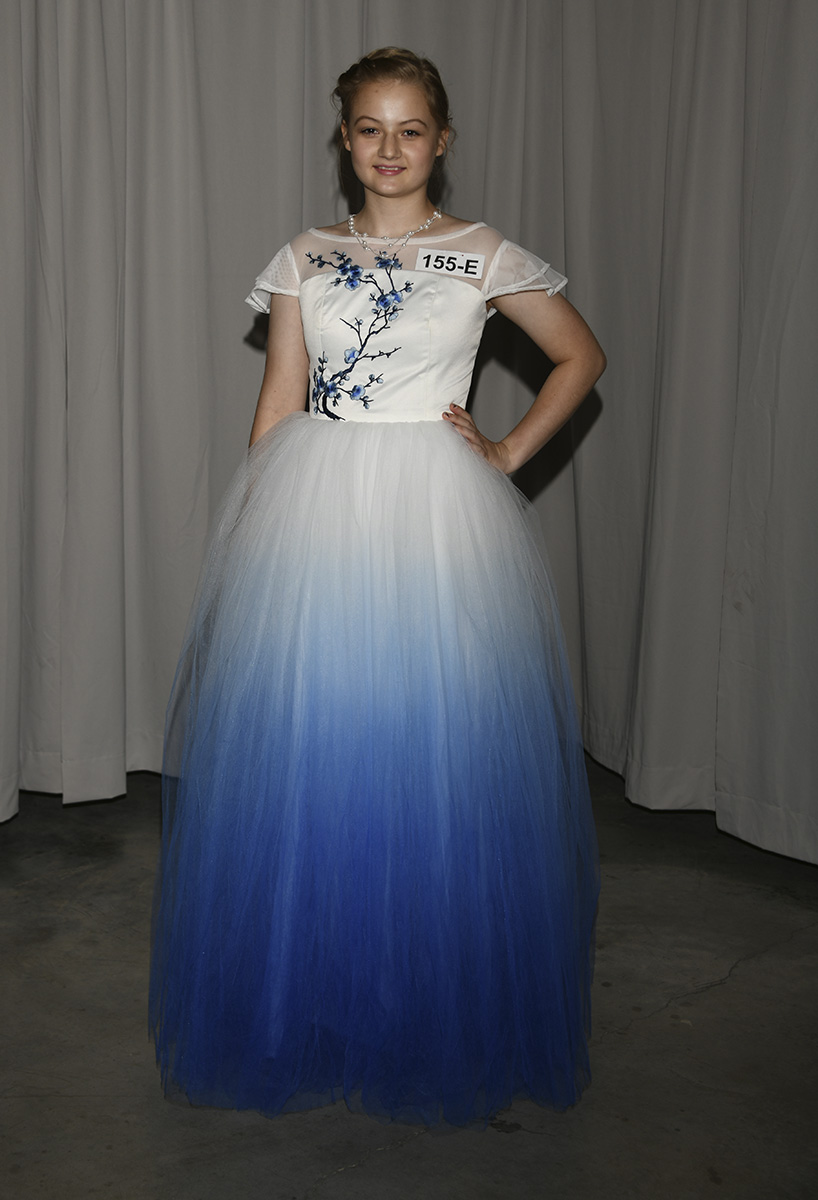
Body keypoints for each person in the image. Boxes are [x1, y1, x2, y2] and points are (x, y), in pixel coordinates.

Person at [150, 47, 605, 1128]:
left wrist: (506, 452)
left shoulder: (481, 252)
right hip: (317, 516)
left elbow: (579, 358)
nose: (389, 148)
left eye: (409, 129)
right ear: (344, 140)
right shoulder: (304, 255)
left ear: (440, 141)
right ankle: (314, 999)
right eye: (369, 128)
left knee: (433, 762)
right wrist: (251, 542)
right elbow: (279, 400)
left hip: (438, 528)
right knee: (317, 758)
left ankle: (425, 1008)